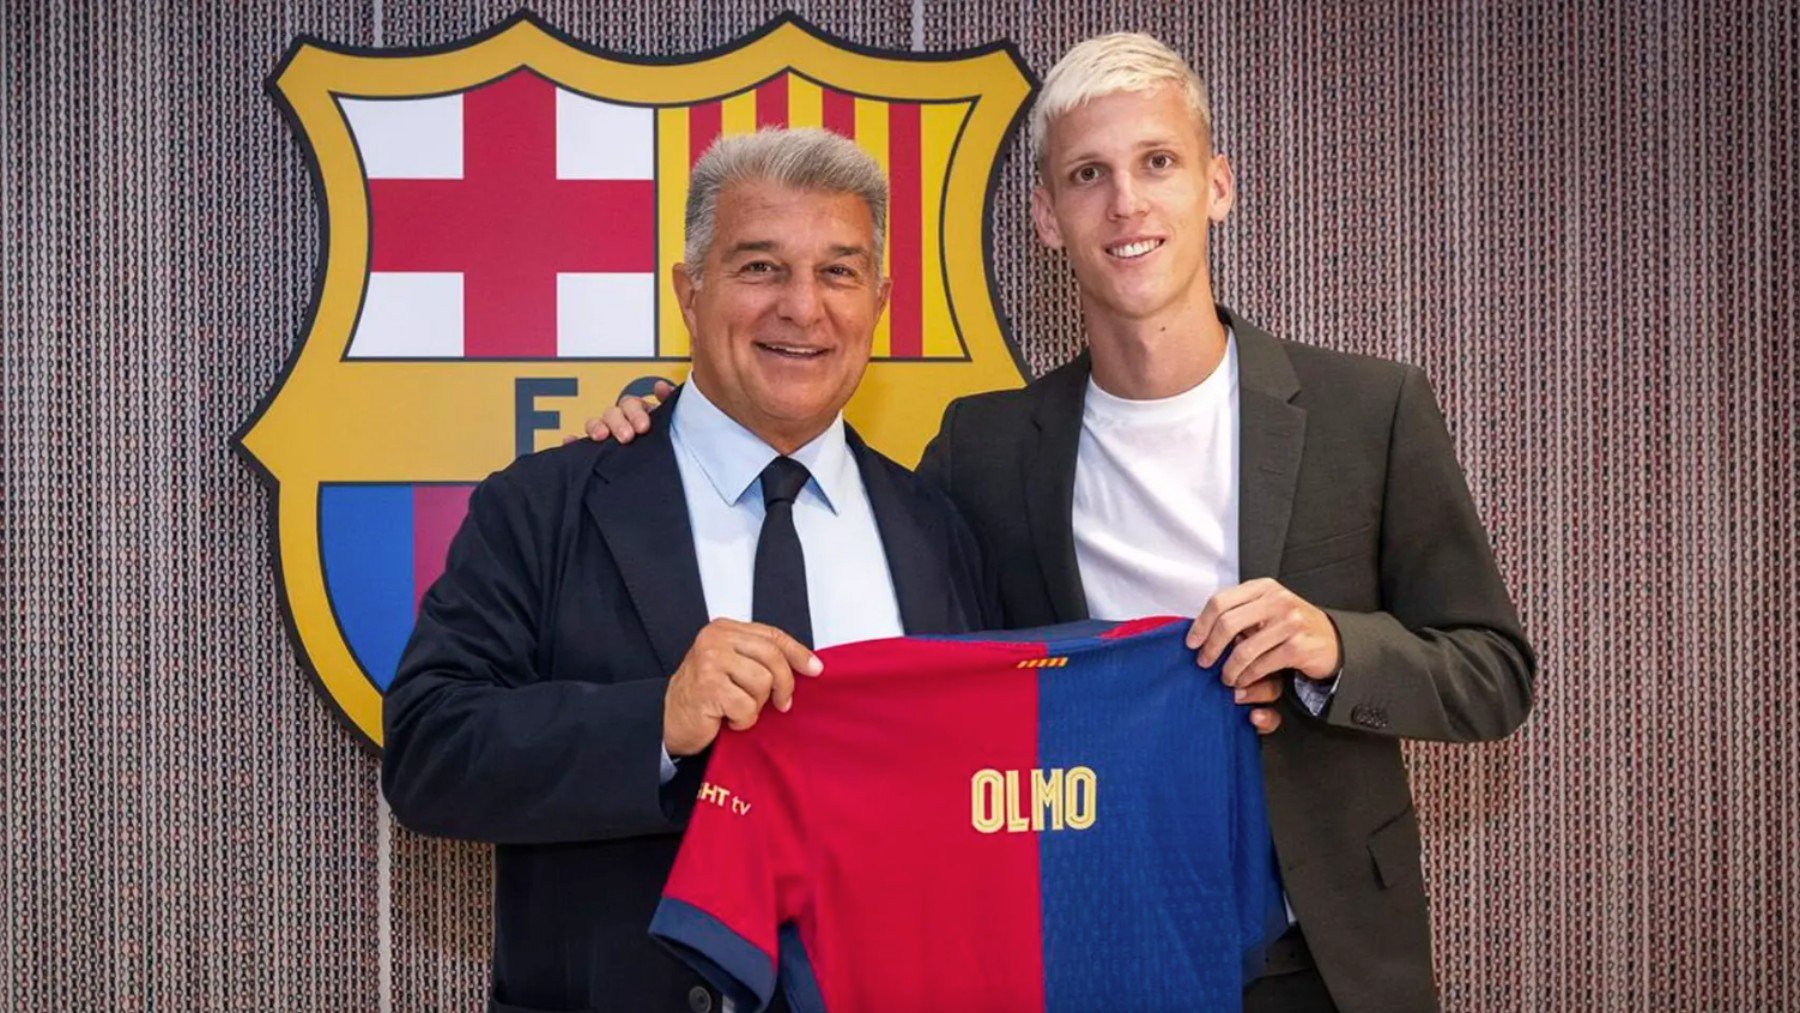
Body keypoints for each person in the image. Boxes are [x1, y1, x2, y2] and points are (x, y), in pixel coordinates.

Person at [594, 34, 1534, 1013]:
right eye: (1088, 174)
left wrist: (1336, 646)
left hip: (1313, 955)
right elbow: (890, 639)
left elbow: (1494, 671)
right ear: (1047, 216)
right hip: (1078, 944)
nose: (1126, 203)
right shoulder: (986, 446)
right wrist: (668, 421)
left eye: (1157, 163)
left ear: (1217, 185)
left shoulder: (1368, 410)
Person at [381, 128, 994, 1013]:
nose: (803, 308)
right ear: (689, 289)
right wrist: (657, 721)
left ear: (881, 300)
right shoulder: (543, 505)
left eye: (839, 272)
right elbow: (430, 752)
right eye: (759, 268)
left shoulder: (940, 528)